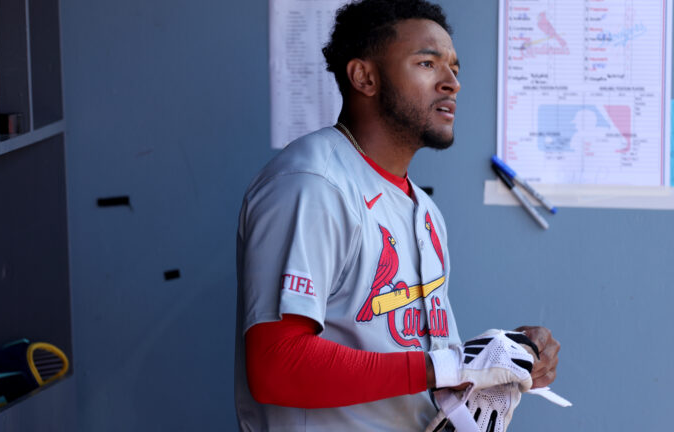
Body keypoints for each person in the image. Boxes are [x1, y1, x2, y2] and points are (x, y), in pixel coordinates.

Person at [234, 0, 560, 430]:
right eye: (428, 63)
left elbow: (415, 364)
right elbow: (278, 365)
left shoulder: (423, 209)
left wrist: (504, 360)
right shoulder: (312, 185)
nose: (452, 83)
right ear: (364, 77)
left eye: (455, 69)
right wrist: (451, 366)